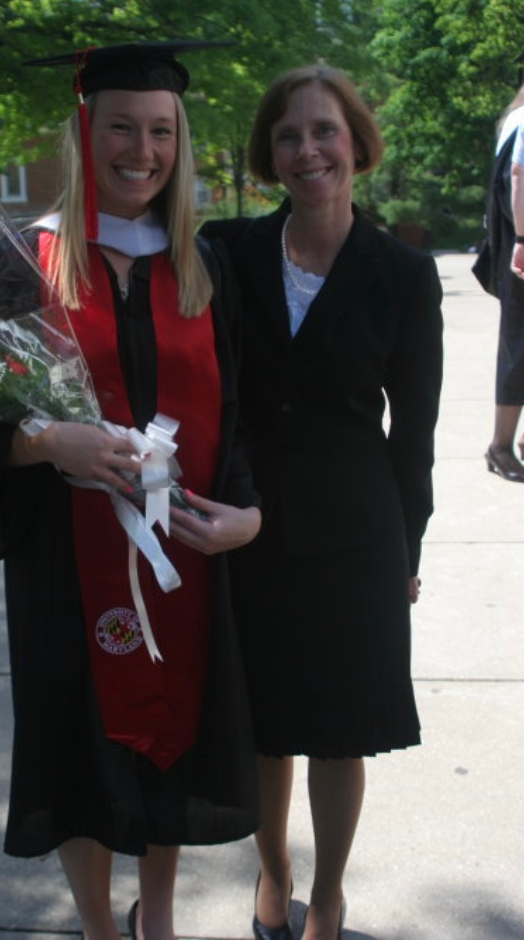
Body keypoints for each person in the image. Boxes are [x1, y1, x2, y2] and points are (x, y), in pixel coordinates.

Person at [0, 40, 262, 940]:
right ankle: (98, 929)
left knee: (174, 741)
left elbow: (237, 416)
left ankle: (156, 920)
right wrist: (46, 440)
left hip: (182, 556)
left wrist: (249, 511)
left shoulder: (201, 264)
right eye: (121, 126)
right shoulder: (24, 261)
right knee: (79, 750)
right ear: (85, 131)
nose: (141, 150)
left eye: (161, 132)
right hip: (63, 569)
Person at [200, 63, 443, 940]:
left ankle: (329, 895)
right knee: (266, 731)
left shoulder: (405, 274)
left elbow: (413, 433)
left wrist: (408, 553)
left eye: (325, 131)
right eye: (289, 135)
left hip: (355, 535)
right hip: (249, 525)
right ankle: (272, 878)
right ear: (270, 153)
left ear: (357, 144)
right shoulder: (226, 252)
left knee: (342, 732)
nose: (308, 150)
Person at [483, 84, 524, 481]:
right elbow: (516, 178)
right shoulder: (523, 119)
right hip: (521, 250)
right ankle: (500, 445)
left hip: (514, 245)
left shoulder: (514, 118)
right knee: (516, 350)